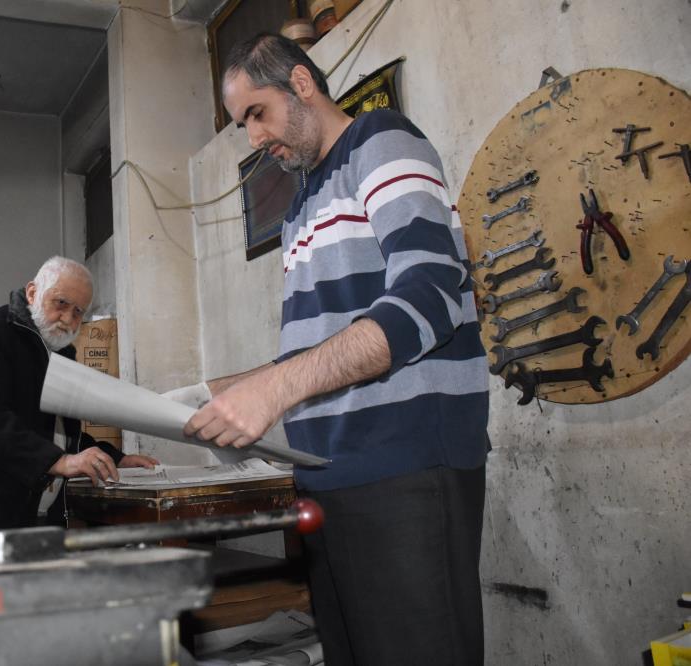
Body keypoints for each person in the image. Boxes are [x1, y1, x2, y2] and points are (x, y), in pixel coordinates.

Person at [182, 34, 490, 665]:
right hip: (329, 478)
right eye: (242, 125)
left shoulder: (379, 141)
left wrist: (276, 389)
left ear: (301, 83)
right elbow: (318, 353)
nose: (253, 140)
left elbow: (433, 295)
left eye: (256, 115)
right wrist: (217, 394)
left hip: (404, 469)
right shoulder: (300, 207)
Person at [0, 256, 157, 552]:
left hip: (15, 519)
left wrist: (115, 458)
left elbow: (57, 431)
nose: (68, 319)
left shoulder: (59, 352)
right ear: (33, 292)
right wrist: (58, 461)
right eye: (61, 303)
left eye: (78, 312)